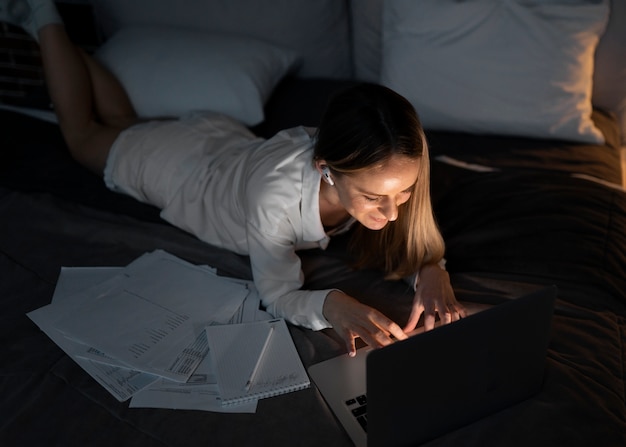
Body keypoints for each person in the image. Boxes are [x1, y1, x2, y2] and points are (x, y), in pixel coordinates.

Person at [1, 0, 466, 356]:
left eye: (403, 193)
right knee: (84, 135)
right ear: (326, 169)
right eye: (373, 198)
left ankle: (65, 42)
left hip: (228, 145)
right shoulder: (275, 197)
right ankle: (44, 15)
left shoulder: (386, 160)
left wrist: (431, 269)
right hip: (183, 172)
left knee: (121, 118)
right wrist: (330, 303)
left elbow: (406, 216)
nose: (391, 212)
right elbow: (277, 293)